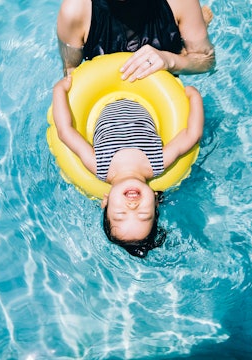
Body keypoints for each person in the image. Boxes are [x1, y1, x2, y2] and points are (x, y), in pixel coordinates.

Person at [52, 75, 204, 257]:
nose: (132, 207)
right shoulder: (157, 162)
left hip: (102, 85)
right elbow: (191, 135)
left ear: (105, 201)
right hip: (145, 81)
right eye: (143, 215)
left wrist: (59, 90)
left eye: (120, 214)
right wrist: (194, 97)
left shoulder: (99, 165)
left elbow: (66, 132)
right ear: (156, 202)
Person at [57, 0, 215, 81]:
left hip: (165, 91)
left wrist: (171, 61)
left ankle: (190, 28)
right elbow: (72, 74)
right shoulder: (75, 10)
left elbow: (207, 61)